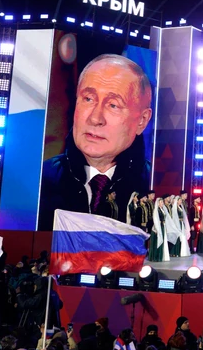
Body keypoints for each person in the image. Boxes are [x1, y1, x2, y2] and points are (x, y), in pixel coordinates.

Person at [39, 54, 153, 230]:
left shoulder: (153, 185)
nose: (95, 118)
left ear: (142, 121)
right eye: (88, 99)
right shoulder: (41, 181)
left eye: (113, 105)